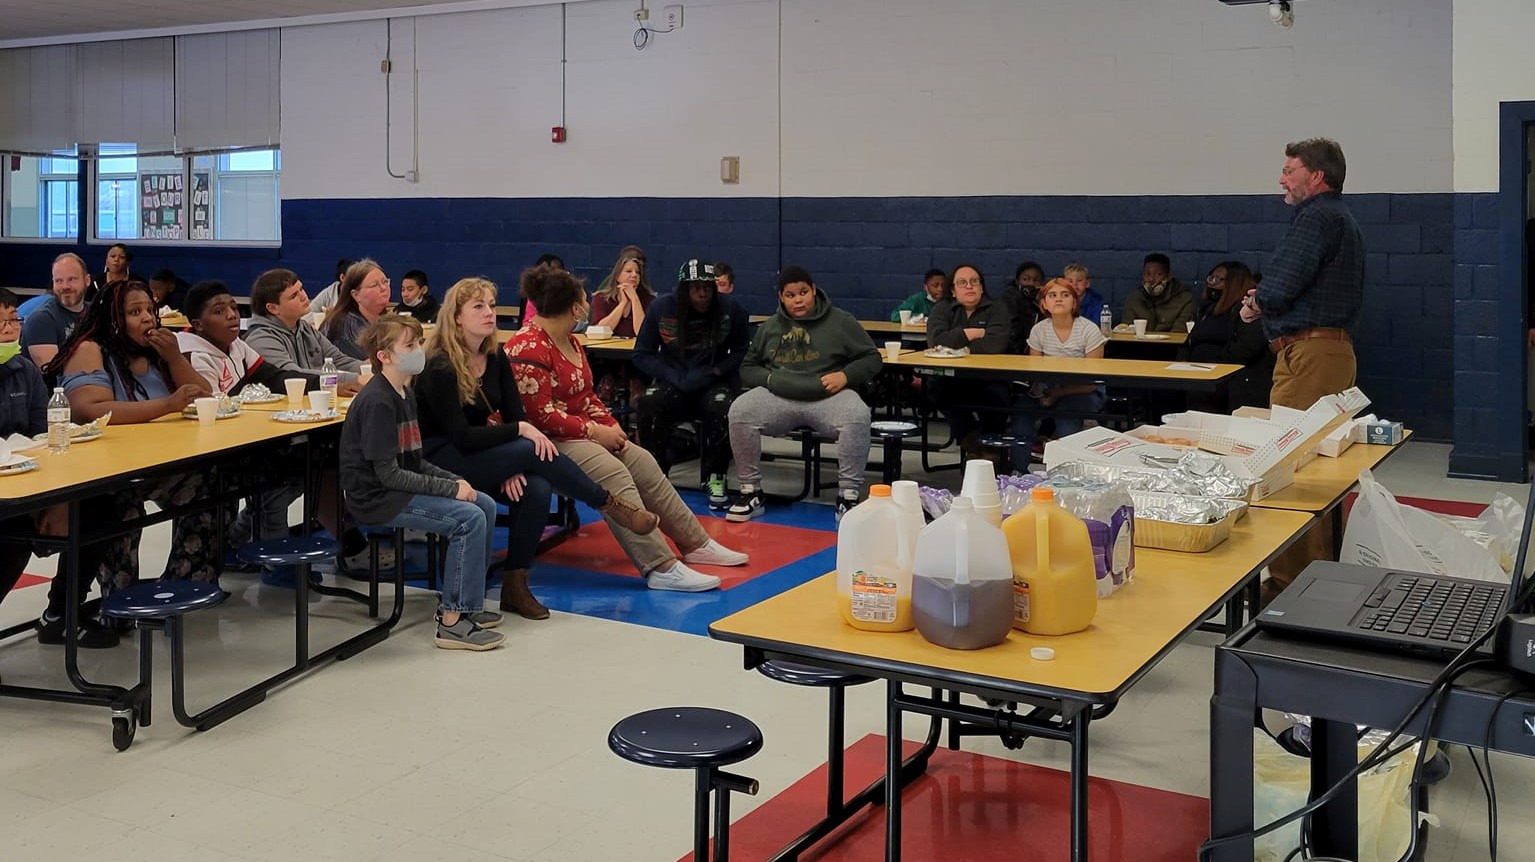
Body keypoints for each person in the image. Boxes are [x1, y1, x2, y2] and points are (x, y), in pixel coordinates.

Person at [417, 277, 661, 619]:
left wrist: (510, 463)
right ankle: (608, 503)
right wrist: (517, 439)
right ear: (456, 317)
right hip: (441, 456)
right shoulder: (440, 365)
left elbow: (514, 415)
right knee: (532, 448)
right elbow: (464, 436)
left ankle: (516, 585)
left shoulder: (494, 354)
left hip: (484, 450)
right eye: (478, 307)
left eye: (491, 304)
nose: (489, 313)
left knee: (538, 487)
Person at [507, 265, 747, 592]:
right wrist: (594, 432)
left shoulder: (571, 342)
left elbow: (585, 395)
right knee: (613, 472)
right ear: (574, 306)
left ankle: (696, 542)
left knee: (640, 459)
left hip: (575, 430)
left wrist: (611, 428)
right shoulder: (527, 347)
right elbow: (541, 416)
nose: (589, 303)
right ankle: (660, 565)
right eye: (584, 299)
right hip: (542, 442)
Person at [1239, 137, 1365, 605]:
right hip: (1326, 354)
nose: (1282, 178)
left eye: (1290, 169)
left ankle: (1292, 588)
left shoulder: (1316, 217)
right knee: (1315, 467)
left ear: (1317, 175)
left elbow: (1284, 283)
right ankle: (1321, 579)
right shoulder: (1340, 219)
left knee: (1288, 470)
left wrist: (1256, 303)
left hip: (1308, 356)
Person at [44, 279, 221, 592]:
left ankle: (186, 584)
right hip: (109, 471)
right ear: (112, 317)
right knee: (121, 508)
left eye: (150, 310)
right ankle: (119, 601)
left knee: (211, 482)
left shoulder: (156, 352)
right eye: (134, 312)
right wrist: (166, 405)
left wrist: (175, 358)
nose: (147, 318)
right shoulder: (90, 349)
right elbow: (90, 410)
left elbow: (203, 395)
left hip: (157, 461)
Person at [340, 314, 504, 650]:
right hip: (377, 498)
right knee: (469, 519)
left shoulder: (403, 392)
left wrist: (453, 479)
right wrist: (450, 490)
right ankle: (453, 621)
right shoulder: (378, 401)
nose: (420, 350)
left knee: (484, 504)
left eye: (418, 343)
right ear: (384, 356)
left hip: (395, 489)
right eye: (410, 345)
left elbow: (414, 461)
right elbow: (388, 475)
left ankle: (467, 604)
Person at [0, 289, 118, 648]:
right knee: (11, 535)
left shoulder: (24, 370)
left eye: (12, 321)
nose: (8, 330)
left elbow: (41, 435)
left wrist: (56, 499)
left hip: (28, 479)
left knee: (100, 511)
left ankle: (60, 613)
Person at [727, 266, 883, 522]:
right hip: (780, 396)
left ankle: (848, 496)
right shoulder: (771, 327)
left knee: (856, 414)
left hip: (828, 397)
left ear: (814, 291)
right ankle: (751, 491)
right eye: (790, 295)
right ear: (781, 297)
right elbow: (747, 367)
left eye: (803, 292)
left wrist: (846, 376)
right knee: (741, 411)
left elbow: (872, 358)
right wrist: (769, 379)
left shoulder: (841, 321)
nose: (798, 300)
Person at [631, 260, 751, 509]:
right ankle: (656, 477)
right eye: (695, 288)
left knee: (723, 405)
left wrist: (717, 371)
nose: (703, 294)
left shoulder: (730, 308)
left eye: (707, 287)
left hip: (712, 382)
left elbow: (741, 349)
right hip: (675, 381)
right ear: (684, 288)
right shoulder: (661, 308)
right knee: (650, 400)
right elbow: (642, 353)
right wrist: (670, 375)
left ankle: (715, 477)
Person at [1010, 278, 1109, 468]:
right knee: (1021, 412)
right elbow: (1035, 372)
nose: (1059, 299)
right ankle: (1018, 471)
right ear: (1044, 303)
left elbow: (1093, 381)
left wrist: (1058, 394)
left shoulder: (1089, 330)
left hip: (1083, 390)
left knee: (1066, 414)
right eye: (1052, 295)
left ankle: (1067, 473)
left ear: (1074, 302)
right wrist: (1044, 394)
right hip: (1046, 389)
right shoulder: (1039, 330)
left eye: (1065, 295)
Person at [927, 264, 1012, 449]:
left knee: (998, 397)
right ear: (953, 289)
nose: (969, 286)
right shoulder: (942, 308)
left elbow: (995, 345)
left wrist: (955, 346)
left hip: (989, 377)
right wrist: (971, 333)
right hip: (952, 377)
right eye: (962, 282)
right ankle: (969, 438)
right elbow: (936, 341)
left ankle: (991, 448)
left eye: (974, 282)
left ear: (982, 287)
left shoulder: (998, 308)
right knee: (935, 388)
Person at [246, 268, 365, 383]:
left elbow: (339, 360)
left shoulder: (304, 328)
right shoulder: (261, 339)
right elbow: (294, 375)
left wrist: (373, 370)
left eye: (301, 289)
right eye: (293, 296)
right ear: (273, 308)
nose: (303, 296)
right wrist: (354, 379)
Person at [1184, 262, 1273, 412]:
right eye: (1211, 279)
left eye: (1220, 280)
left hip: (1229, 377)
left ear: (1234, 284)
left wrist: (1217, 365)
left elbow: (1246, 348)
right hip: (1198, 372)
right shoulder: (1207, 309)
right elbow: (1192, 339)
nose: (1213, 284)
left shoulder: (1247, 310)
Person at [22, 253, 90, 367]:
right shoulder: (41, 320)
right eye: (58, 281)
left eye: (72, 279)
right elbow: (52, 372)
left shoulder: (96, 313)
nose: (65, 286)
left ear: (87, 280)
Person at [323, 259, 393, 360]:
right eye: (374, 285)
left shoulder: (385, 319)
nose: (384, 288)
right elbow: (373, 363)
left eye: (385, 282)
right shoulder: (345, 324)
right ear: (356, 295)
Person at [1121, 253, 1195, 332]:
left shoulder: (1185, 300)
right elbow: (1127, 332)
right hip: (1139, 344)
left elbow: (1179, 334)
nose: (1151, 279)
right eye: (1147, 274)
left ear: (1168, 276)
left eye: (1158, 274)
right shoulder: (1133, 300)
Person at [591, 252, 654, 337]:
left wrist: (635, 299)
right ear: (617, 276)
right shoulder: (601, 298)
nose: (634, 275)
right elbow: (599, 332)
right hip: (607, 349)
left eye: (638, 272)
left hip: (636, 349)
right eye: (629, 271)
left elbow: (643, 334)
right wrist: (622, 304)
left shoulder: (649, 300)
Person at [1000, 261, 1046, 354]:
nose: (1031, 283)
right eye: (1025, 279)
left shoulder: (1042, 301)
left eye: (1036, 280)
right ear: (1017, 281)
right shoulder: (1010, 296)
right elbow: (1010, 330)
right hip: (1013, 353)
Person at [1061, 263, 1105, 327]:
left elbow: (1095, 326)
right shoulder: (1059, 301)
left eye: (1079, 280)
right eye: (1070, 281)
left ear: (1087, 283)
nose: (1075, 284)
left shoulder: (1096, 304)